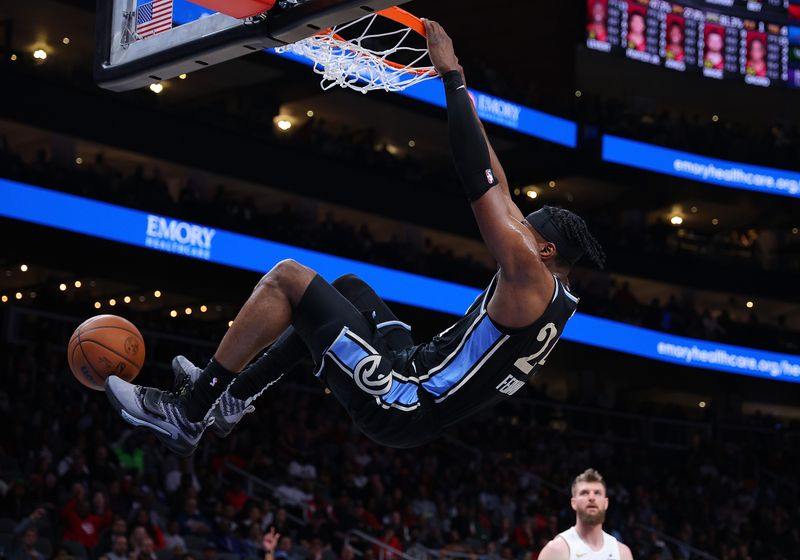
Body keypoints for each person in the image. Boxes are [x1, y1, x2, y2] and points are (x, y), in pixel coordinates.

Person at [104, 19, 606, 456]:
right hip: (416, 370)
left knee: (288, 281)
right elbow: (501, 183)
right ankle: (239, 394)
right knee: (347, 289)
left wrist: (452, 78)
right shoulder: (554, 291)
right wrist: (463, 90)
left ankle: (188, 412)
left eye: (524, 224)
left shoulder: (526, 272)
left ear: (544, 248)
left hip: (405, 399)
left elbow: (478, 178)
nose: (515, 222)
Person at [538, 470, 634, 560]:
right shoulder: (556, 550)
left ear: (606, 503)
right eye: (584, 493)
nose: (591, 498)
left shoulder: (622, 553)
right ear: (573, 503)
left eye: (597, 493)